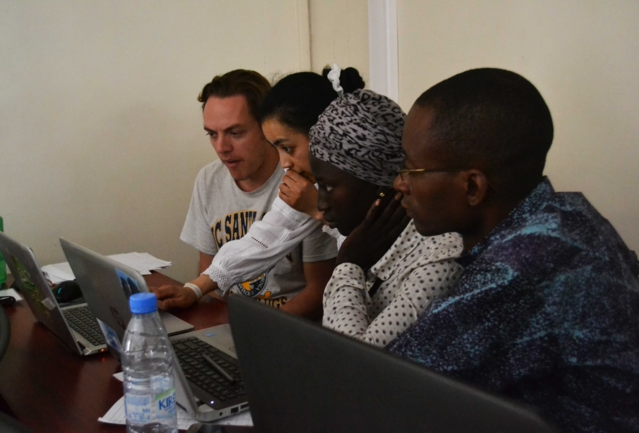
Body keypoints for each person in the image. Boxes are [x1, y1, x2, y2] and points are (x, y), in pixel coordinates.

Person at [387, 68, 639, 432]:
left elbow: (390, 386)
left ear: (472, 187)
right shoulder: (565, 215)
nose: (400, 183)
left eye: (412, 169)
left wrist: (350, 264)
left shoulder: (519, 268)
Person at [154, 70, 338, 318]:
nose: (221, 148)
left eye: (235, 133)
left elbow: (338, 286)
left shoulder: (325, 185)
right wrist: (194, 290)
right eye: (212, 134)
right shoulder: (302, 182)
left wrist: (317, 209)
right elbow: (261, 241)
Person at [307, 89, 463, 348]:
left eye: (329, 187)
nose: (321, 204)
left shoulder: (438, 261)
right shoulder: (367, 237)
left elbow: (352, 364)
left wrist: (348, 263)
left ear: (381, 183)